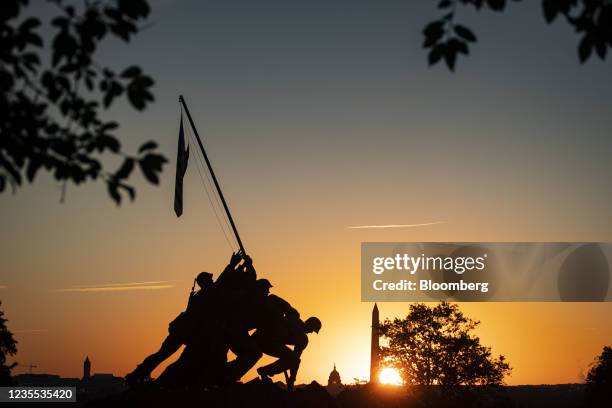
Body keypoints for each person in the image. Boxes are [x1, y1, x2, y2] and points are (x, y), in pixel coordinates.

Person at [125, 271, 216, 386]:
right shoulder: (204, 295)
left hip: (183, 330)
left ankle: (137, 375)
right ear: (206, 282)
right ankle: (138, 375)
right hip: (187, 332)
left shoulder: (199, 294)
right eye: (210, 280)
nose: (213, 281)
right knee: (164, 355)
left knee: (161, 354)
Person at [253, 312, 322, 390]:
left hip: (260, 338)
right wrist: (292, 379)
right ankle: (265, 371)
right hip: (265, 340)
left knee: (290, 357)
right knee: (292, 358)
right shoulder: (302, 338)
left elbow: (294, 358)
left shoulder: (295, 321)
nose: (311, 332)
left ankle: (265, 371)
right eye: (312, 329)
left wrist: (292, 378)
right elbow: (295, 359)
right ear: (309, 325)